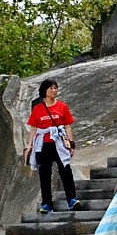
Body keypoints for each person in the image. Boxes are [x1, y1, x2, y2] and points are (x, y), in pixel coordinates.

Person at [26, 78, 80, 214]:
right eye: (51, 88)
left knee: (65, 170)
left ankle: (72, 199)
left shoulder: (62, 106)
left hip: (59, 143)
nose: (54, 91)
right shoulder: (37, 109)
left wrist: (71, 144)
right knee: (44, 174)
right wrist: (29, 146)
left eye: (55, 88)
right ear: (44, 90)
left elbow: (67, 126)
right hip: (43, 144)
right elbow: (33, 128)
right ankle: (46, 204)